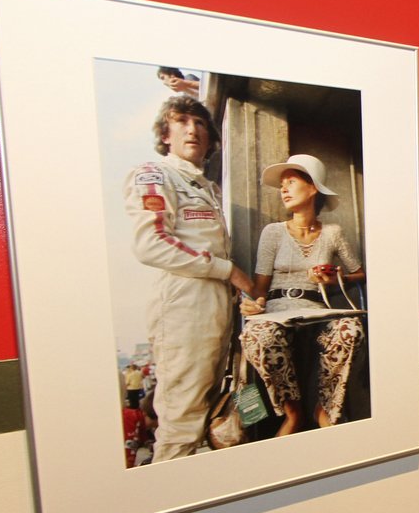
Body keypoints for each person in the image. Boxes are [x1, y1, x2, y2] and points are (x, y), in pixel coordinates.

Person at [124, 95, 254, 462]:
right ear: (166, 135)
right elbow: (150, 245)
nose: (192, 129)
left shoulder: (206, 187)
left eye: (199, 123)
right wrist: (227, 271)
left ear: (211, 138)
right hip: (184, 305)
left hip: (215, 307)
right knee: (181, 422)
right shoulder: (155, 174)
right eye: (181, 121)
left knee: (206, 415)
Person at [239, 155, 366, 436]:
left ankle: (325, 408)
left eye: (291, 182)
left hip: (317, 308)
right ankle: (293, 413)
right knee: (257, 336)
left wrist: (336, 278)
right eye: (281, 185)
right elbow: (259, 288)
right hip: (276, 308)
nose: (283, 189)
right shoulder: (273, 232)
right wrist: (250, 303)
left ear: (313, 188)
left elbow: (359, 273)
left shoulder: (333, 233)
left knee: (350, 330)